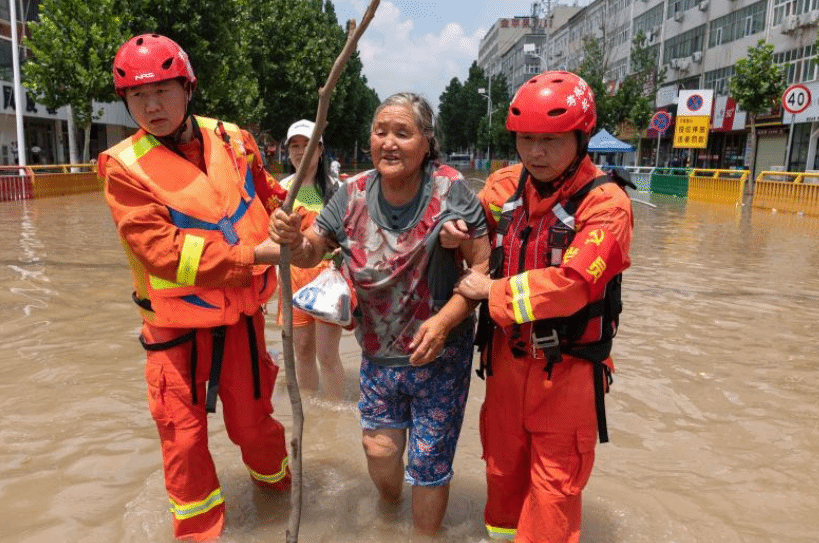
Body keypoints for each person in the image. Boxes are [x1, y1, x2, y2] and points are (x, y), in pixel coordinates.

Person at [98, 34, 291, 541]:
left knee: (256, 429)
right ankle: (200, 534)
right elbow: (161, 252)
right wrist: (254, 256)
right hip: (174, 333)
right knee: (183, 444)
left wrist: (300, 228)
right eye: (138, 96)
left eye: (163, 90)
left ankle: (280, 501)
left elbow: (268, 200)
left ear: (188, 88)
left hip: (243, 321)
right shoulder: (123, 167)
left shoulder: (233, 139)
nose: (152, 105)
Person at [269, 92, 490, 536]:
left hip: (440, 357)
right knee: (378, 449)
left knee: (429, 465)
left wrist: (446, 321)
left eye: (402, 133)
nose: (389, 142)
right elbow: (314, 248)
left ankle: (424, 535)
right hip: (377, 353)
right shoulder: (350, 194)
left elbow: (484, 266)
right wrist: (292, 240)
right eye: (381, 131)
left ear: (427, 142)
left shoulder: (451, 190)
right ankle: (390, 516)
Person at [450, 71, 634, 543]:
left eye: (551, 140)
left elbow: (572, 285)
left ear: (582, 136)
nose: (536, 153)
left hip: (568, 372)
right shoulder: (502, 189)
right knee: (502, 482)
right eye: (526, 139)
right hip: (507, 366)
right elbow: (474, 230)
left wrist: (486, 292)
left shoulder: (607, 205)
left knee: (553, 497)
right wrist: (460, 235)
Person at [276, 119, 345, 400]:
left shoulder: (338, 189)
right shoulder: (280, 189)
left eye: (308, 145)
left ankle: (334, 408)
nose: (300, 151)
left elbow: (351, 233)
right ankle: (310, 411)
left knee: (327, 355)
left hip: (328, 280)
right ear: (287, 152)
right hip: (292, 280)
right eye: (295, 145)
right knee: (302, 351)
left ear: (320, 150)